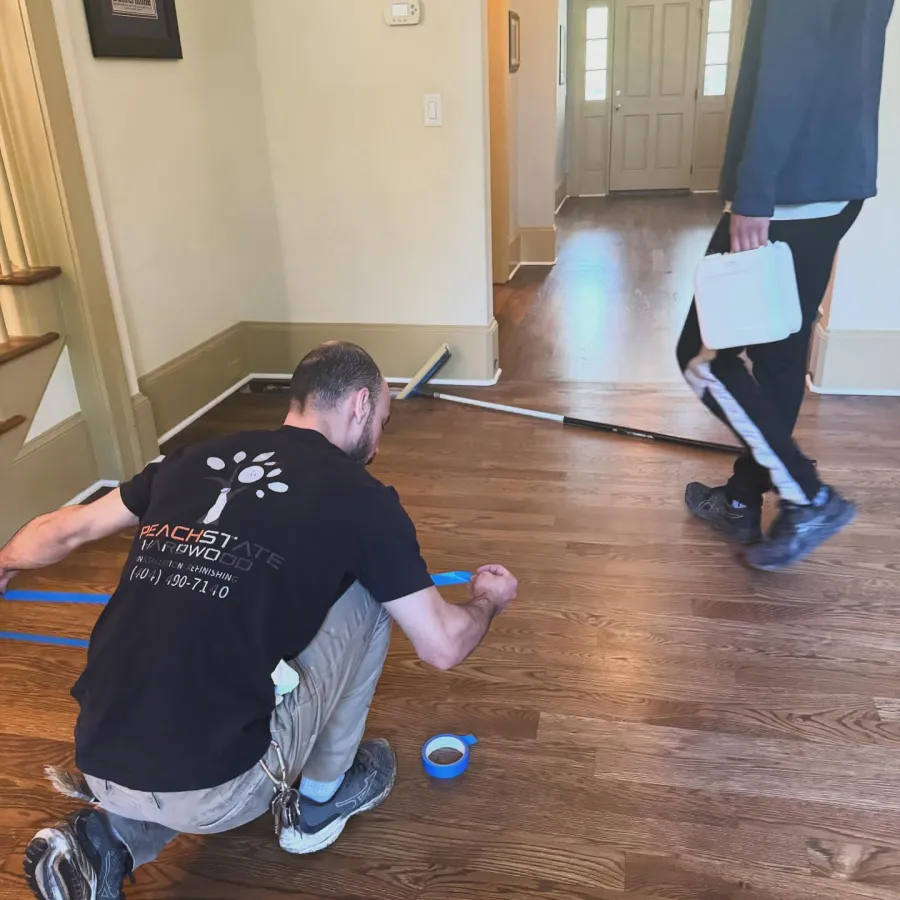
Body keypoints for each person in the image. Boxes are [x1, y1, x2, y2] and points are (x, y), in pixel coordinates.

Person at [0, 341, 518, 900]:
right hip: (221, 789)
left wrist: (3, 560)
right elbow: (442, 646)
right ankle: (319, 801)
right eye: (384, 421)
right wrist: (489, 599)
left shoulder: (190, 459)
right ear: (361, 404)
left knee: (192, 712)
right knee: (374, 596)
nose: (379, 438)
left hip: (97, 756)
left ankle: (107, 837)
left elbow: (65, 530)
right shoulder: (363, 499)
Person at [677, 0, 894, 570]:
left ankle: (808, 495)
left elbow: (789, 68)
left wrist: (754, 194)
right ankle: (743, 500)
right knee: (779, 359)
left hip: (789, 195)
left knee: (702, 357)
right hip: (836, 183)